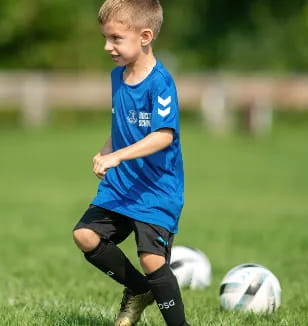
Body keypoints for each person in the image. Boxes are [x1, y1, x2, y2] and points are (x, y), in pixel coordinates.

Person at [72, 1, 190, 325]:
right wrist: (105, 150)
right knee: (85, 235)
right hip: (123, 184)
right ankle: (138, 290)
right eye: (105, 38)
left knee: (152, 259)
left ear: (145, 36)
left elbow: (163, 135)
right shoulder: (117, 77)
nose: (107, 46)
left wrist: (117, 156)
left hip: (156, 189)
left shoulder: (160, 83)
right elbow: (123, 128)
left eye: (115, 39)